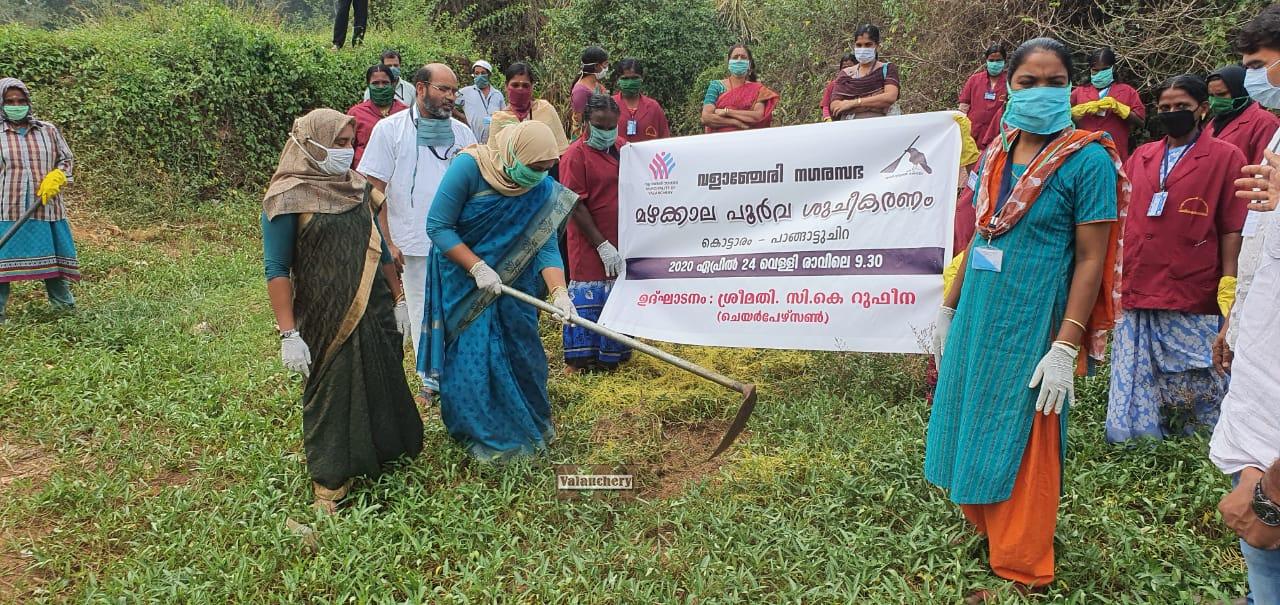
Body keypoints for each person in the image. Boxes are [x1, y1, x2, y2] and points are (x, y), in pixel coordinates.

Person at [925, 38, 1126, 601]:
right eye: (1028, 82)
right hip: (979, 312)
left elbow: (1091, 259)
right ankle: (987, 525)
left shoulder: (1088, 159)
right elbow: (982, 234)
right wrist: (949, 306)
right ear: (1007, 86)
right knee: (973, 412)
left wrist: (1066, 345)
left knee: (1025, 430)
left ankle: (1022, 562)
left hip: (1034, 319)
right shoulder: (997, 150)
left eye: (1054, 81)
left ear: (1072, 87)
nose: (1041, 92)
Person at [260, 108, 422, 513]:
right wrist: (288, 334)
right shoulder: (287, 196)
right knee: (332, 390)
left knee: (380, 375)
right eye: (338, 143)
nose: (346, 153)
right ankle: (330, 483)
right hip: (323, 311)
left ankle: (381, 453)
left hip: (376, 305)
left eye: (350, 143)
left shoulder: (358, 188)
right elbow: (276, 268)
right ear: (310, 143)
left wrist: (399, 299)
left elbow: (380, 248)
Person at [419, 121, 578, 461]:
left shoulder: (542, 187)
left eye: (546, 169)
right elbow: (438, 226)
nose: (538, 176)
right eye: (534, 168)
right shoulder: (470, 167)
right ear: (513, 154)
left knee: (524, 354)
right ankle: (485, 438)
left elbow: (545, 246)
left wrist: (559, 292)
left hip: (514, 282)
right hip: (465, 280)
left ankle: (532, 423)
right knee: (474, 359)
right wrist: (476, 266)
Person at [1105, 75, 1246, 443]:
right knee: (1136, 365)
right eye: (1165, 108)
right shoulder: (1143, 156)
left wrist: (1229, 285)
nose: (1171, 114)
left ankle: (1201, 436)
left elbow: (1232, 227)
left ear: (1201, 109)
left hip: (1191, 279)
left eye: (1181, 107)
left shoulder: (1225, 157)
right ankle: (1137, 435)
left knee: (1199, 363)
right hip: (1139, 276)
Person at [1210, 6, 1280, 601]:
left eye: (1259, 67)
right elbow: (1262, 251)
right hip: (1264, 393)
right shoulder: (1279, 137)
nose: (1256, 80)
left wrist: (1273, 500)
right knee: (1263, 569)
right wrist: (1236, 320)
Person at [357, 63, 477, 402]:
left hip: (457, 241)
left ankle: (456, 370)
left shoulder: (463, 134)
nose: (451, 97)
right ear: (420, 89)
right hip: (412, 242)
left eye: (454, 90)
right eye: (443, 89)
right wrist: (387, 242)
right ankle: (430, 379)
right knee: (423, 308)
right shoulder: (389, 130)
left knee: (457, 305)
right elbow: (373, 189)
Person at [559, 95, 632, 373]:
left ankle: (612, 357)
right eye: (601, 126)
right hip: (589, 240)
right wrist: (601, 244)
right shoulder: (575, 155)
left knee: (616, 296)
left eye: (612, 126)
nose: (607, 132)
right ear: (586, 123)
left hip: (621, 237)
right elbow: (575, 203)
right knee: (590, 297)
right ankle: (578, 361)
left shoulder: (623, 148)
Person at [0, 78, 77, 324]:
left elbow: (65, 160)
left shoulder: (48, 130)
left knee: (53, 262)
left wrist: (58, 175)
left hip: (46, 208)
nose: (16, 105)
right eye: (10, 101)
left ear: (29, 102)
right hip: (6, 209)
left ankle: (65, 311)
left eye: (21, 101)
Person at [1070, 48, 1146, 159]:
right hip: (1083, 153)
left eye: (1104, 70)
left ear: (1112, 68)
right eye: (1095, 70)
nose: (1100, 74)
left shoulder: (1127, 91)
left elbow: (1141, 121)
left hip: (1116, 153)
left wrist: (1120, 108)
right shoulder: (1079, 92)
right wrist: (1076, 112)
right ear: (1090, 70)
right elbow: (1062, 120)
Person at [490, 62, 570, 156]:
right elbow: (494, 158)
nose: (520, 89)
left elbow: (562, 150)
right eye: (515, 85)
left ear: (532, 86)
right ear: (506, 86)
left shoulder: (545, 109)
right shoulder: (499, 119)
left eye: (525, 85)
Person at [1207, 64, 1280, 164]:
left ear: (1239, 91)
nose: (1215, 101)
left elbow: (1263, 167)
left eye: (1221, 94)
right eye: (1211, 96)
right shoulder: (1215, 122)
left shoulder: (1264, 122)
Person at [700, 43, 780, 133]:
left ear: (749, 64)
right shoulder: (716, 86)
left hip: (748, 141)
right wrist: (736, 122)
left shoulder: (758, 90)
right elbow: (706, 117)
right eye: (735, 57)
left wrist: (727, 112)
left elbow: (758, 116)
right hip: (719, 141)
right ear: (729, 62)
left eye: (743, 57)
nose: (739, 60)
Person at [828, 25, 902, 121]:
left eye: (868, 44)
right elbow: (835, 106)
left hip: (883, 128)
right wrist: (876, 104)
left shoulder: (887, 69)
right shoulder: (845, 75)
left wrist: (853, 103)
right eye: (859, 45)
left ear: (877, 46)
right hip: (851, 130)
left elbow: (890, 97)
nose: (863, 49)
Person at [348, 64, 408, 167]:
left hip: (397, 173)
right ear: (368, 85)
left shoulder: (405, 112)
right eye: (375, 83)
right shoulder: (356, 113)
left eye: (385, 83)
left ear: (393, 84)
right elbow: (347, 148)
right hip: (363, 174)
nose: (380, 87)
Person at [959, 44, 1008, 148]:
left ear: (1004, 61)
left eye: (998, 60)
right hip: (972, 135)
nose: (995, 64)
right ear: (986, 61)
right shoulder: (974, 80)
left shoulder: (1010, 83)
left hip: (997, 137)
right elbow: (963, 108)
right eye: (991, 60)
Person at [613, 59, 671, 143]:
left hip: (648, 156)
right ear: (617, 79)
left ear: (642, 78)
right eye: (625, 78)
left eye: (634, 78)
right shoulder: (609, 105)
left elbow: (665, 138)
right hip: (616, 156)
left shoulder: (653, 107)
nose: (630, 82)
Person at [455, 59, 505, 144]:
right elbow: (449, 101)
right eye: (477, 73)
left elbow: (504, 115)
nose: (480, 76)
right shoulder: (466, 92)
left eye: (483, 73)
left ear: (489, 75)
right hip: (472, 140)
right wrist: (462, 116)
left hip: (493, 142)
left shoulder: (497, 95)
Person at [570, 46, 610, 139]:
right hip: (588, 140)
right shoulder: (580, 91)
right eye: (605, 64)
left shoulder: (597, 84)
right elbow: (580, 123)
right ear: (596, 66)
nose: (606, 68)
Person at [820, 53, 857, 122]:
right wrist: (828, 119)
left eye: (850, 67)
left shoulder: (861, 84)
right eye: (844, 68)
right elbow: (825, 106)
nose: (846, 70)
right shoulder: (833, 85)